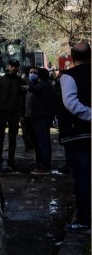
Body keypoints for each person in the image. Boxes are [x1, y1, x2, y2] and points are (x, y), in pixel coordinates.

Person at [57, 41, 90, 232]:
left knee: (83, 178)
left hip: (77, 135)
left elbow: (71, 103)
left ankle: (85, 219)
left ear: (72, 57)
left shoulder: (68, 77)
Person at [24, 67, 55, 175]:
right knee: (40, 142)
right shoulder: (47, 85)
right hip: (40, 117)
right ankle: (41, 163)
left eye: (35, 73)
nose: (33, 75)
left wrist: (28, 85)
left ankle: (45, 166)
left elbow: (35, 89)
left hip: (41, 118)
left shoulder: (43, 85)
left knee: (43, 143)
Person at [0, 60, 27, 171]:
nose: (14, 68)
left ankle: (11, 160)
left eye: (16, 66)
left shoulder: (20, 81)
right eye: (12, 66)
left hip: (14, 113)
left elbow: (23, 98)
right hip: (2, 112)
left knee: (12, 139)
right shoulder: (1, 80)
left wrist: (21, 114)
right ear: (8, 67)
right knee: (0, 138)